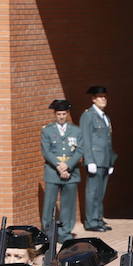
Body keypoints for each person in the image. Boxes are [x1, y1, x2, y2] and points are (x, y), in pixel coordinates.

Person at [41, 99, 83, 238]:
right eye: (58, 114)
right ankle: (47, 232)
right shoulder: (47, 130)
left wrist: (68, 165)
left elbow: (80, 150)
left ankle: (65, 232)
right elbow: (46, 151)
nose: (61, 117)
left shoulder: (76, 131)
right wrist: (59, 167)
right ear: (55, 114)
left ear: (67, 114)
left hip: (71, 172)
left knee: (68, 204)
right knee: (49, 203)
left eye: (64, 114)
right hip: (53, 172)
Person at [80, 85, 115, 233]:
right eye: (100, 97)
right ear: (93, 99)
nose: (104, 99)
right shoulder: (88, 115)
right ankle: (91, 221)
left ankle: (99, 218)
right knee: (92, 192)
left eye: (105, 97)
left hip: (105, 160)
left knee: (101, 192)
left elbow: (108, 141)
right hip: (95, 159)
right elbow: (86, 139)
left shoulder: (104, 116)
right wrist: (90, 160)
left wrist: (111, 160)